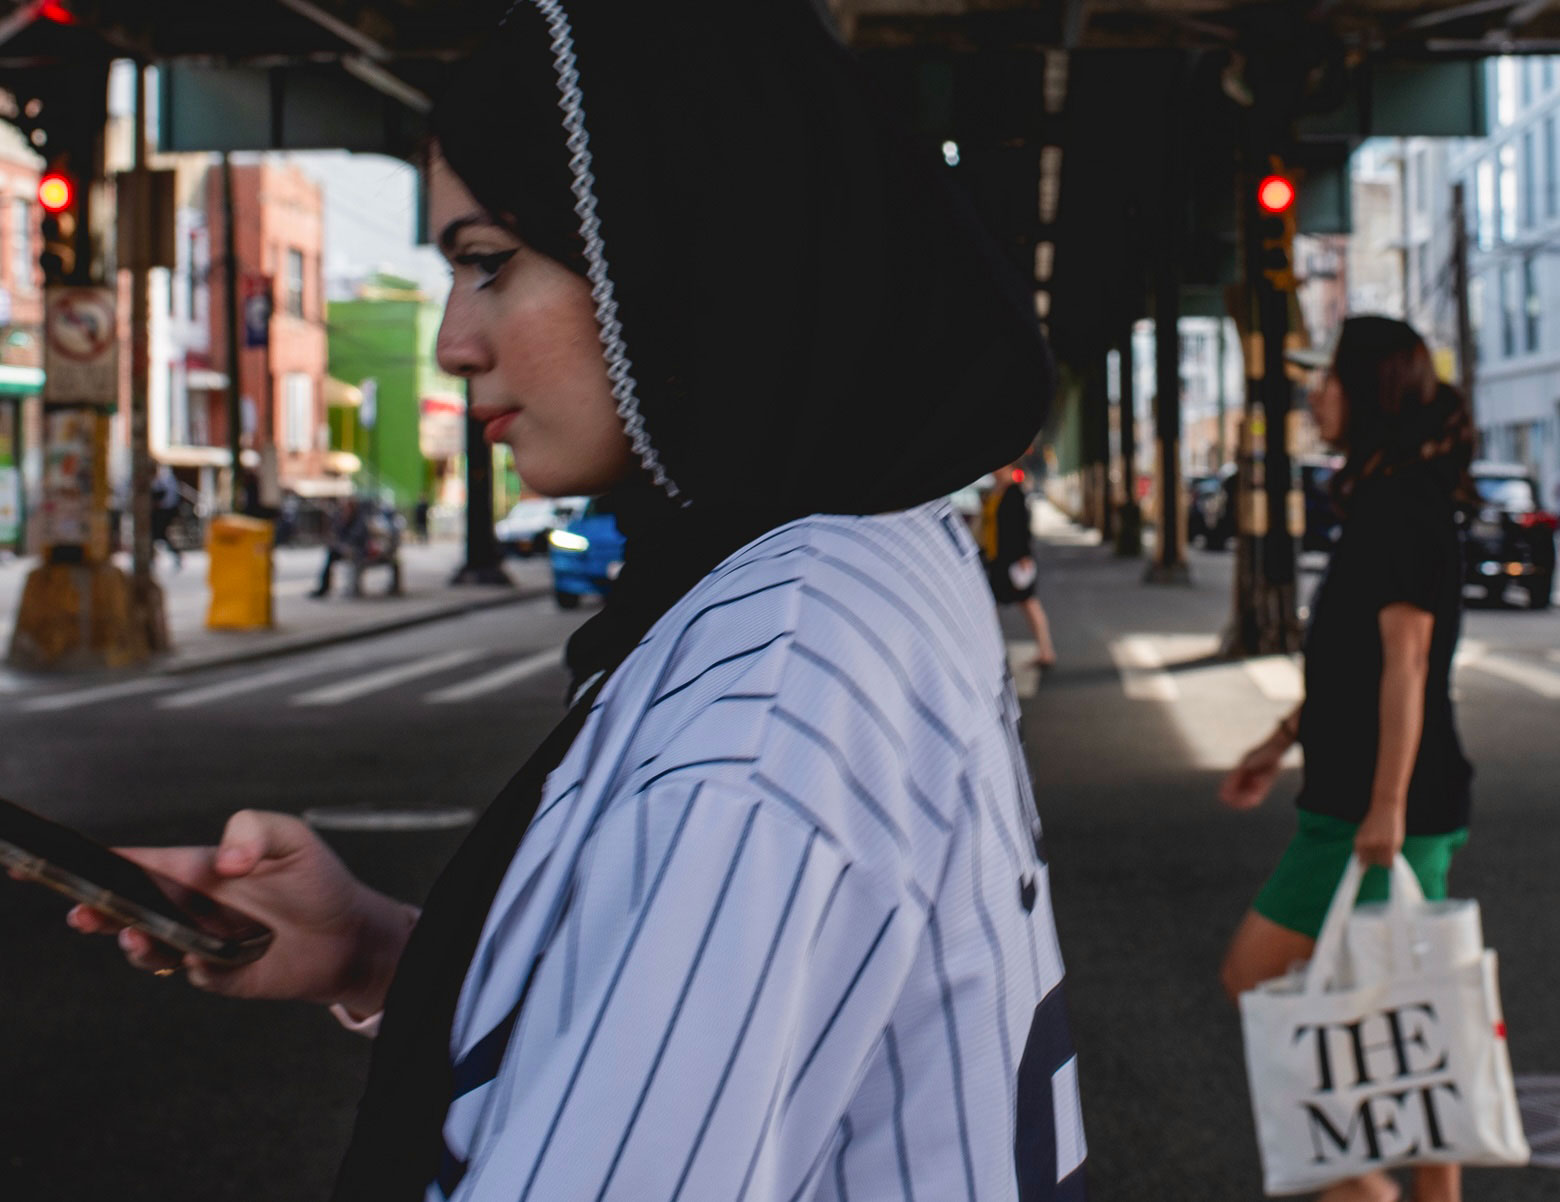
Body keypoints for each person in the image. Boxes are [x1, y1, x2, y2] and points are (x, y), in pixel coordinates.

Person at [62, 3, 1079, 1198]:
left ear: (683, 244)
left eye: (489, 261)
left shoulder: (763, 710)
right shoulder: (875, 550)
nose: (454, 341)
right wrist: (384, 951)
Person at [1219, 316, 1477, 1202]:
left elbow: (1409, 662)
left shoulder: (1402, 505)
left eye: (1330, 377)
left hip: (1371, 812)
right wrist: (1280, 739)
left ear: (1369, 393)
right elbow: (1352, 668)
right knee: (1411, 1015)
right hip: (1375, 799)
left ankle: (1364, 1190)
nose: (1316, 393)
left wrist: (1386, 806)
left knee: (1255, 978)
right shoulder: (1386, 499)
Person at [980, 463, 1057, 667]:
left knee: (1027, 603)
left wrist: (1024, 555)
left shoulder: (1014, 492)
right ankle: (992, 653)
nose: (994, 471)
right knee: (997, 605)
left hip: (1013, 559)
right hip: (996, 558)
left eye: (998, 467)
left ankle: (1045, 650)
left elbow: (1022, 526)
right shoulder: (993, 492)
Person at [308, 497, 365, 599]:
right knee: (330, 554)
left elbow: (355, 537)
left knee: (332, 555)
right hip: (346, 549)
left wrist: (345, 545)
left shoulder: (359, 521)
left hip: (357, 550)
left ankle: (324, 588)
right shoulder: (343, 519)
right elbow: (337, 534)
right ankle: (324, 587)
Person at [149, 466, 184, 570]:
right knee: (157, 535)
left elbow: (169, 496)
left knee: (160, 534)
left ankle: (175, 555)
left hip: (165, 511)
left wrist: (160, 504)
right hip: (162, 511)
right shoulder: (164, 478)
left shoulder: (166, 478)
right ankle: (153, 559)